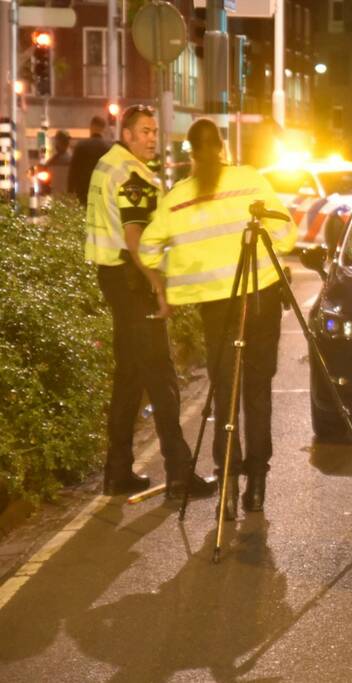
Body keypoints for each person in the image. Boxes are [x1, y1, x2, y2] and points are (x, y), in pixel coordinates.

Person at [139, 119, 297, 520]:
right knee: (257, 393)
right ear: (222, 147)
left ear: (190, 153)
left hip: (216, 309)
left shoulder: (178, 199)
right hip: (259, 299)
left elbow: (148, 248)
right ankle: (257, 487)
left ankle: (226, 480)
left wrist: (171, 273)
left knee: (224, 393)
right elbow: (286, 233)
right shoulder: (249, 181)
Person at [84, 104, 216, 500]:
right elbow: (135, 236)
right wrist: (158, 285)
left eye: (153, 131)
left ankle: (117, 470)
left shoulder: (109, 164)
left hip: (114, 277)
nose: (150, 138)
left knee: (130, 374)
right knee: (162, 377)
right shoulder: (133, 175)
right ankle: (179, 473)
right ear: (125, 134)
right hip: (132, 281)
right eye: (143, 131)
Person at [69, 116, 111, 206]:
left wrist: (70, 190)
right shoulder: (108, 148)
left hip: (83, 189)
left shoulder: (81, 146)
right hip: (101, 190)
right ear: (103, 128)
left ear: (91, 126)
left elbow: (73, 170)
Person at [43, 130, 71, 196]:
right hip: (58, 196)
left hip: (63, 196)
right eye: (62, 141)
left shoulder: (69, 159)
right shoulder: (53, 160)